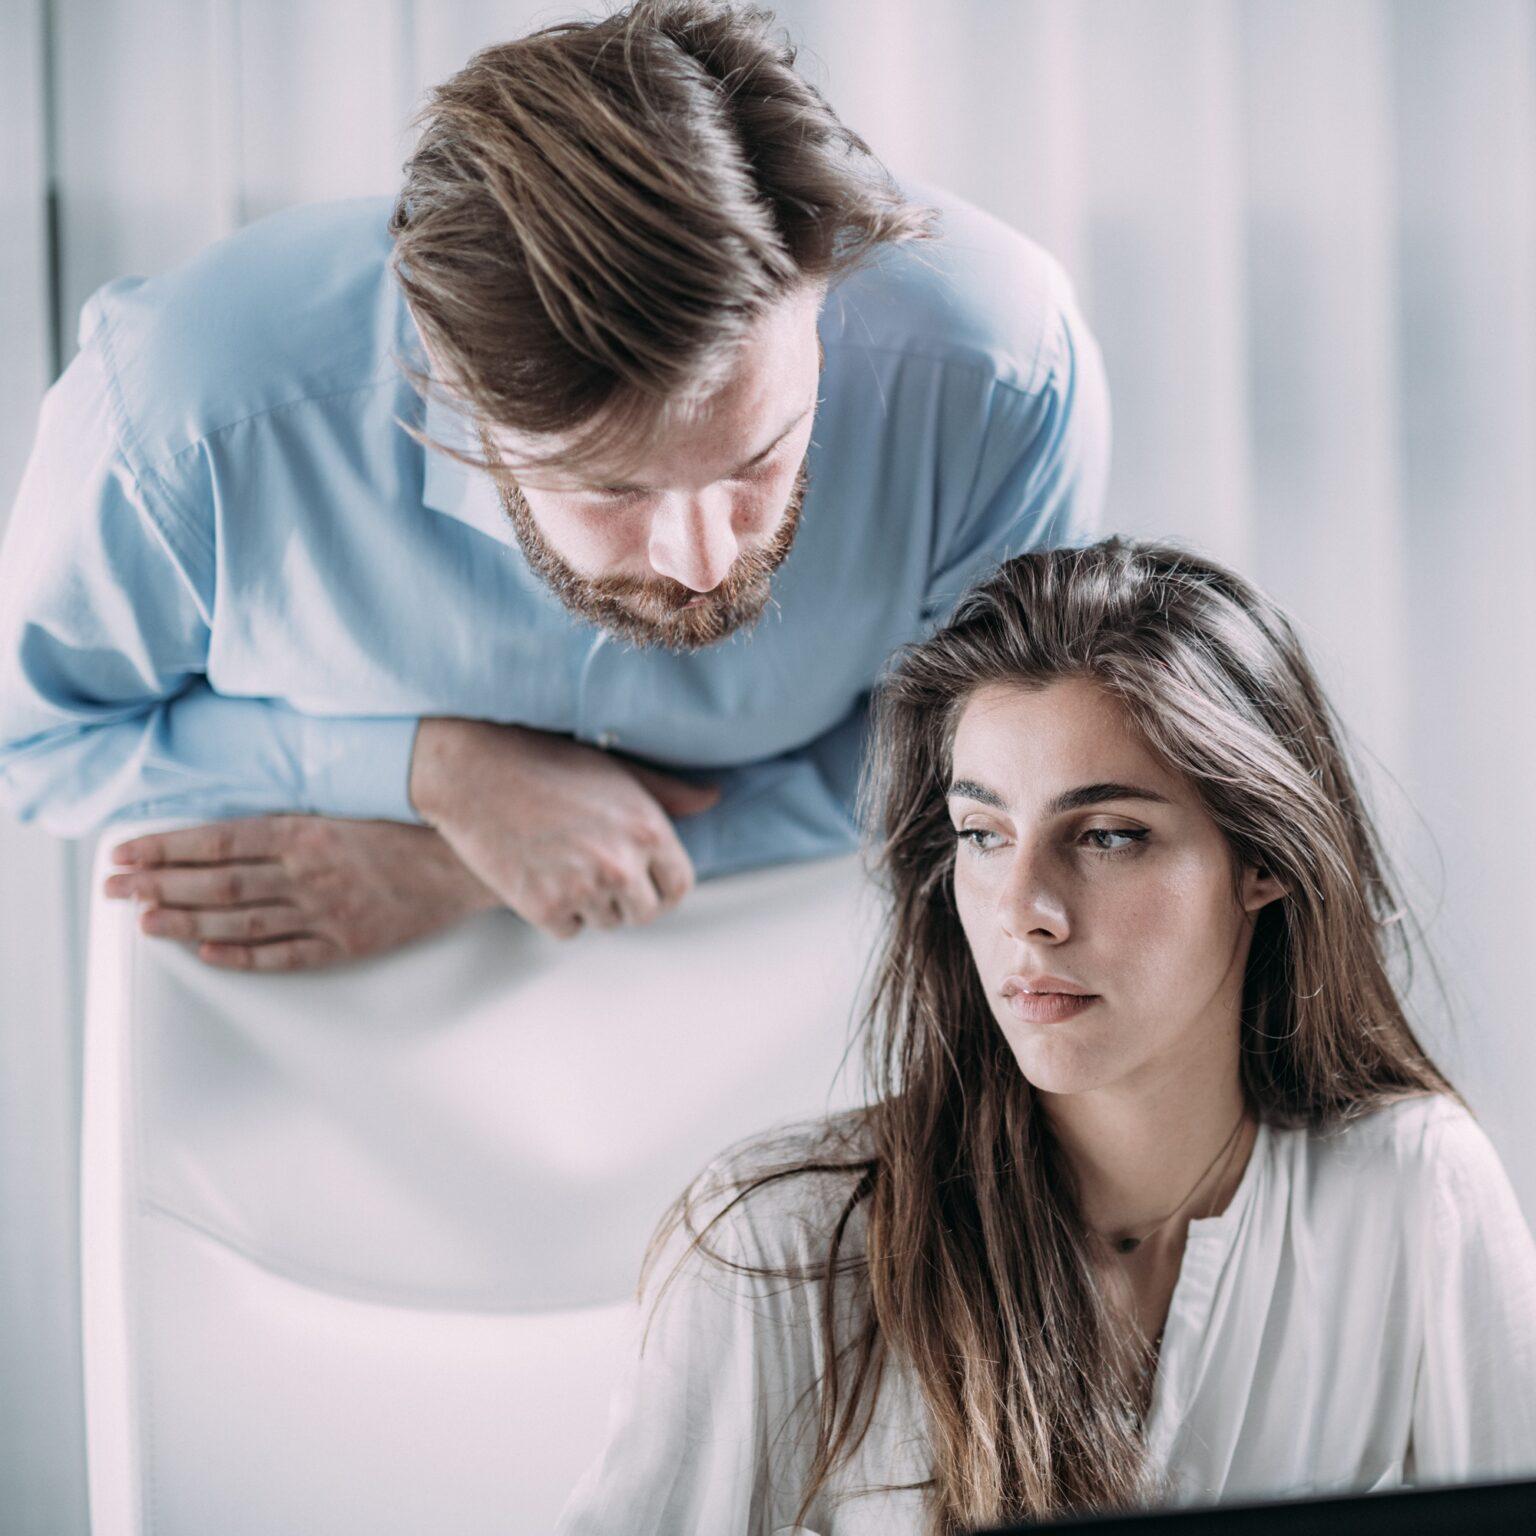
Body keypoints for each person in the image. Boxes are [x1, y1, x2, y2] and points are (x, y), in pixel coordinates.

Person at [0, 0, 1107, 972]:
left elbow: (979, 771)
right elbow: (32, 744)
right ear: (447, 375)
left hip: (785, 974)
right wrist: (432, 774)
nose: (706, 560)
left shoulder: (1004, 377)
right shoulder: (177, 420)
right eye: (614, 489)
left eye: (760, 459)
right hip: (309, 1024)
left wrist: (473, 865)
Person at [553, 537, 1536, 1535]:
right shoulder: (779, 1247)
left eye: (1108, 835)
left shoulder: (1417, 1194)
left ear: (1262, 861)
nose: (1026, 909)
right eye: (983, 835)